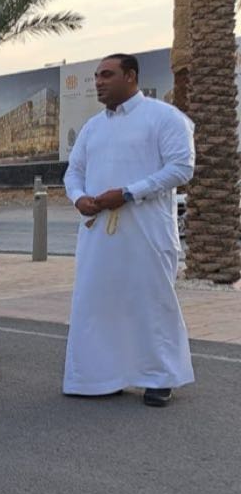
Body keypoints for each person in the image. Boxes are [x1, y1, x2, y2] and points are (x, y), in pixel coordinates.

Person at [63, 53, 195, 407]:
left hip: (146, 231)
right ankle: (103, 376)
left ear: (131, 76)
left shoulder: (165, 117)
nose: (98, 82)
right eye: (96, 76)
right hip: (97, 233)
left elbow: (181, 168)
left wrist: (127, 193)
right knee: (99, 301)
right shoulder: (92, 127)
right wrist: (78, 197)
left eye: (107, 75)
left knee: (150, 301)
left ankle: (159, 378)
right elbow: (73, 171)